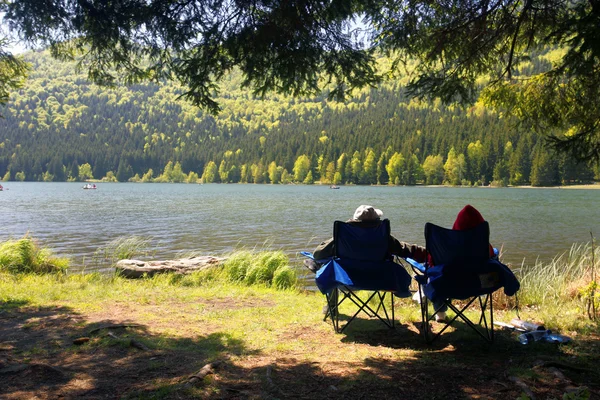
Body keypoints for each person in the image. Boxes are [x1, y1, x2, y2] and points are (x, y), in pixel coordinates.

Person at [304, 205, 427, 272]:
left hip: (347, 278)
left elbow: (318, 254)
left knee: (330, 263)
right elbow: (403, 249)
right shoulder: (383, 237)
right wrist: (429, 252)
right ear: (377, 221)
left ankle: (332, 307)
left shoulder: (345, 235)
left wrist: (329, 243)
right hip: (378, 279)